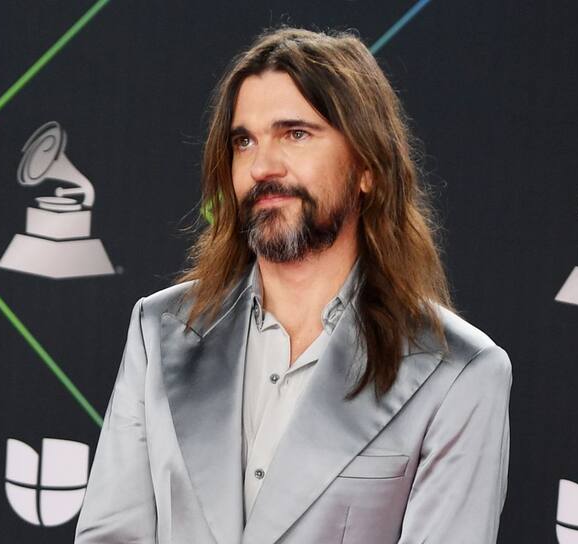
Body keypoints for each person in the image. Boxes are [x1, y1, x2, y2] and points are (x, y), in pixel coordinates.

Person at [75, 27, 511, 544]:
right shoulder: (159, 329)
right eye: (244, 141)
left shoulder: (459, 373)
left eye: (295, 134)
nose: (262, 166)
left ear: (367, 167)